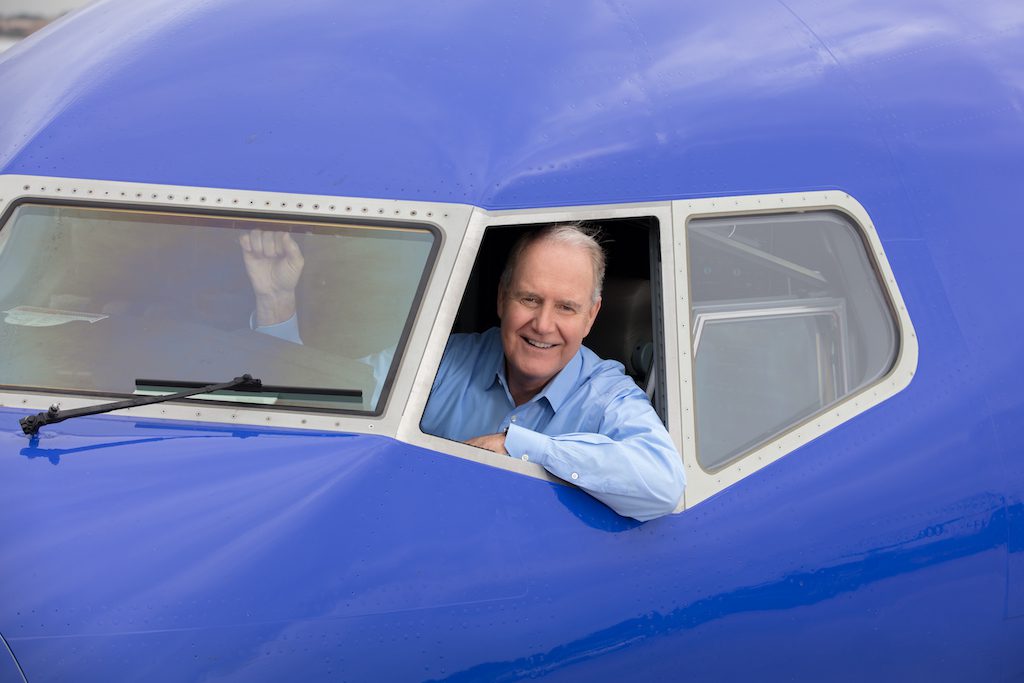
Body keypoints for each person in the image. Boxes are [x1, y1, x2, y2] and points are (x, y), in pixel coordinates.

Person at [241, 225, 686, 521]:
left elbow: (664, 485)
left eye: (566, 307)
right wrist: (277, 306)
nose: (543, 324)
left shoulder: (607, 395)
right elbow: (328, 398)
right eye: (529, 299)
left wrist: (524, 448)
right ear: (501, 298)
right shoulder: (443, 361)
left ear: (591, 318)